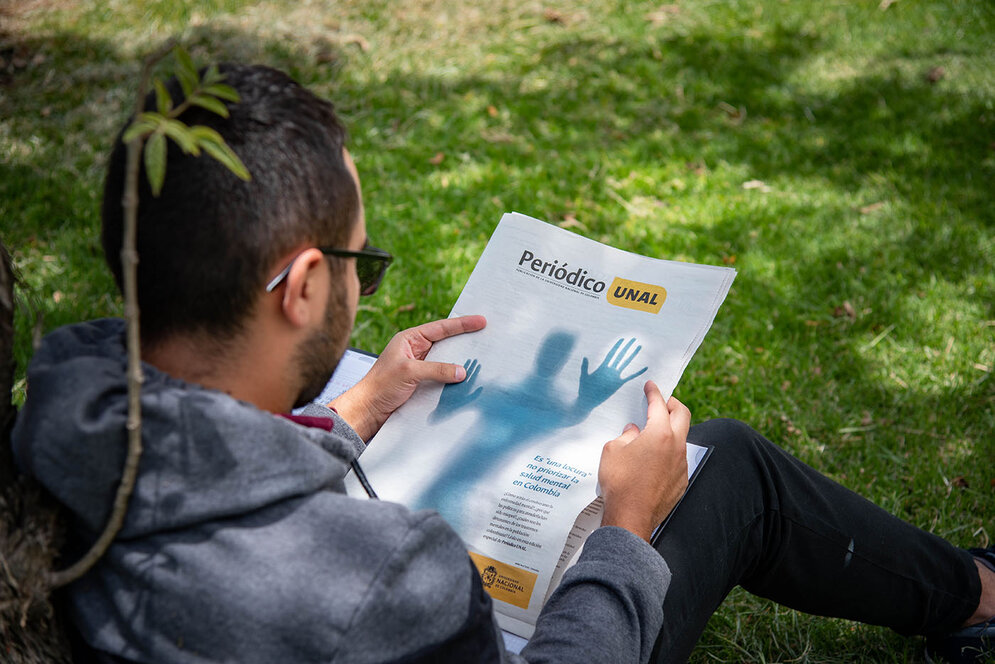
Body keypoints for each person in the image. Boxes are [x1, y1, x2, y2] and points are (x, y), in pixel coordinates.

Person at [10, 63, 993, 664]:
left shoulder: (65, 395)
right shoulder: (383, 574)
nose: (360, 285)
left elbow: (207, 476)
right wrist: (623, 533)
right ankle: (975, 600)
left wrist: (357, 403)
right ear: (304, 285)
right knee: (722, 465)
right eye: (359, 261)